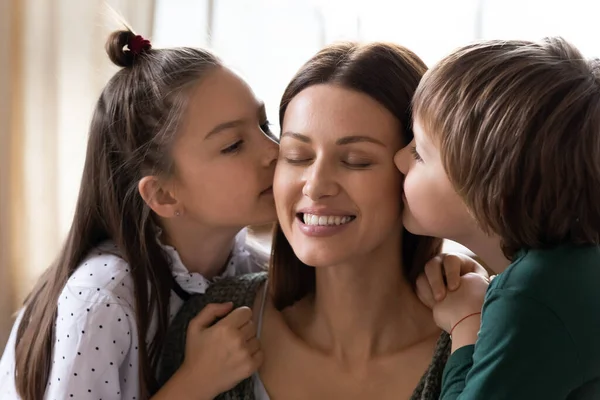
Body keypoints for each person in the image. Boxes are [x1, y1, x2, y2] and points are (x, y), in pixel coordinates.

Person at [159, 41, 487, 400]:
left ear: (413, 170)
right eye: (296, 155)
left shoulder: (477, 339)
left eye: (356, 160)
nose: (315, 186)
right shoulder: (211, 327)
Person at [0, 29, 279, 400]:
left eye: (264, 126)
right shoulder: (101, 298)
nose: (274, 151)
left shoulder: (253, 270)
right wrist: (196, 382)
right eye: (233, 145)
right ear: (163, 194)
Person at [395, 37, 600, 399]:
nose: (398, 160)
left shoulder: (531, 297)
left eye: (420, 154)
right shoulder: (572, 266)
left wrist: (465, 324)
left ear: (495, 190)